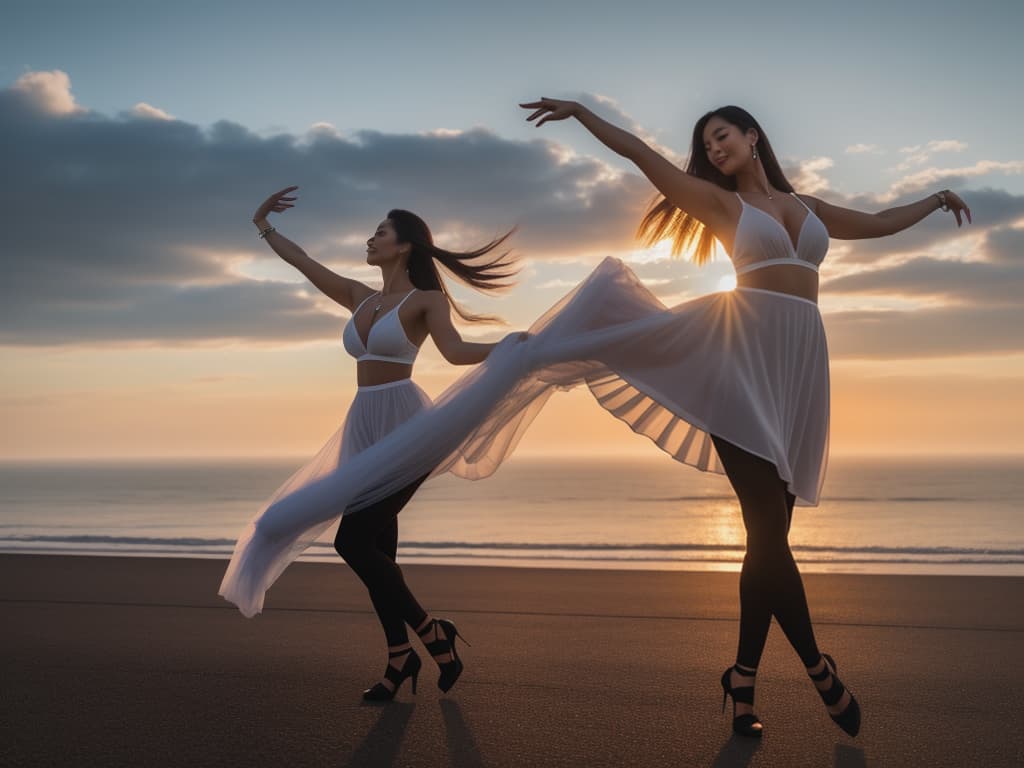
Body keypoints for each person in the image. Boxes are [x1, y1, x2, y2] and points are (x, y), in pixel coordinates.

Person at [518, 97, 972, 739]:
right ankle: (819, 669)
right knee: (766, 532)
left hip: (800, 372)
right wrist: (582, 112)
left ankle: (743, 679)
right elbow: (640, 154)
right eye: (706, 145)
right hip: (740, 370)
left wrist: (936, 198)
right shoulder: (722, 206)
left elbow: (877, 221)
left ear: (753, 136)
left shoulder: (808, 208)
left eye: (723, 135)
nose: (714, 149)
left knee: (767, 544)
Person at [221, 187, 519, 701]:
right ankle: (398, 660)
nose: (371, 237)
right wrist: (261, 223)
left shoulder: (426, 300)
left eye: (381, 231)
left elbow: (455, 352)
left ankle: (432, 633)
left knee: (352, 542)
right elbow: (303, 262)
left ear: (404, 245)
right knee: (379, 548)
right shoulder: (361, 297)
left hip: (405, 427)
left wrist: (512, 346)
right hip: (362, 424)